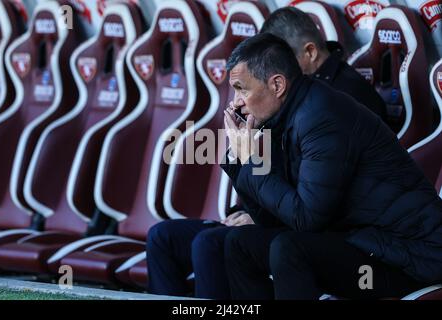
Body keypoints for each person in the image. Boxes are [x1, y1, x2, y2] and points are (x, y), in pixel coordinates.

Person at [146, 7, 389, 299]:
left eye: (275, 58)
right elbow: (274, 168)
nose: (273, 66)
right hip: (280, 212)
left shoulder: (335, 102)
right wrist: (242, 177)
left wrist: (255, 207)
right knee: (163, 236)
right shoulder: (283, 102)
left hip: (324, 232)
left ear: (307, 54)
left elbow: (315, 204)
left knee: (213, 244)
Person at [222, 32, 442, 300]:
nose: (237, 102)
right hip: (361, 245)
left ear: (277, 85)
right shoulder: (282, 118)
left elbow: (305, 220)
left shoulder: (321, 116)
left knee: (289, 248)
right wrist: (240, 159)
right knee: (238, 243)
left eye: (242, 89)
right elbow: (271, 220)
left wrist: (252, 161)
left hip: (403, 261)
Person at [260, 6, 388, 124]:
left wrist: (250, 144)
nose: (276, 74)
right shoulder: (303, 88)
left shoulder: (344, 97)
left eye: (281, 63)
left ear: (310, 52)